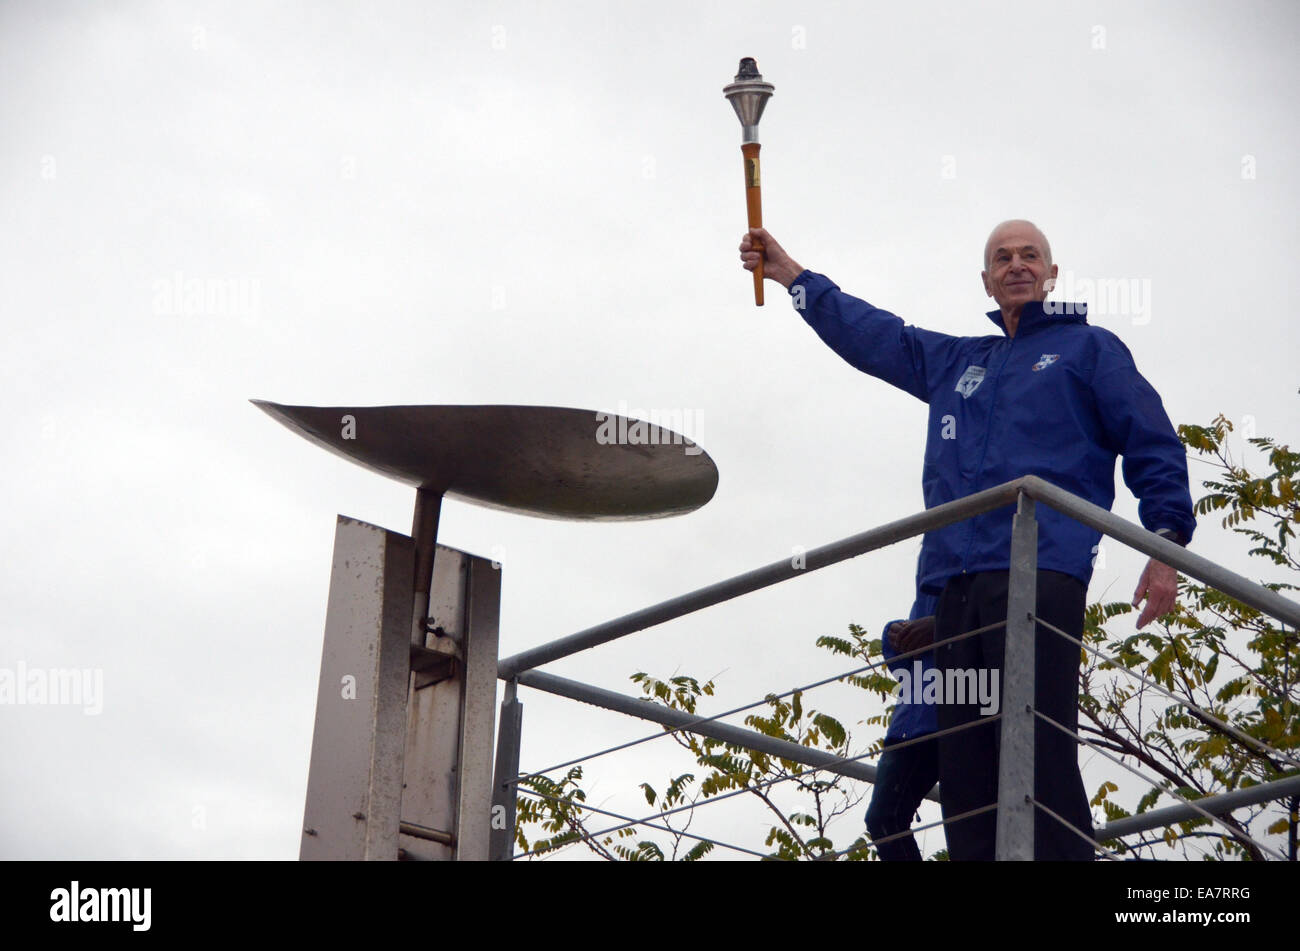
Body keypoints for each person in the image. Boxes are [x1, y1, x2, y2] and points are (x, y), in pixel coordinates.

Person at [738, 221, 1196, 860]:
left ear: (1052, 273)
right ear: (986, 280)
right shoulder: (959, 361)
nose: (1016, 265)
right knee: (968, 777)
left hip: (1041, 569)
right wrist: (793, 276)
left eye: (1029, 255)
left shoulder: (1088, 349)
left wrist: (1166, 542)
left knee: (1036, 750)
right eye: (1001, 258)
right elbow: (875, 336)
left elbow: (1151, 439)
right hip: (953, 586)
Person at [866, 587, 939, 861]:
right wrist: (895, 636)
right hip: (913, 718)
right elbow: (906, 669)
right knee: (883, 818)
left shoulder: (974, 562)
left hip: (957, 712)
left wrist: (943, 625)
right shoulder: (931, 575)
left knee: (970, 826)